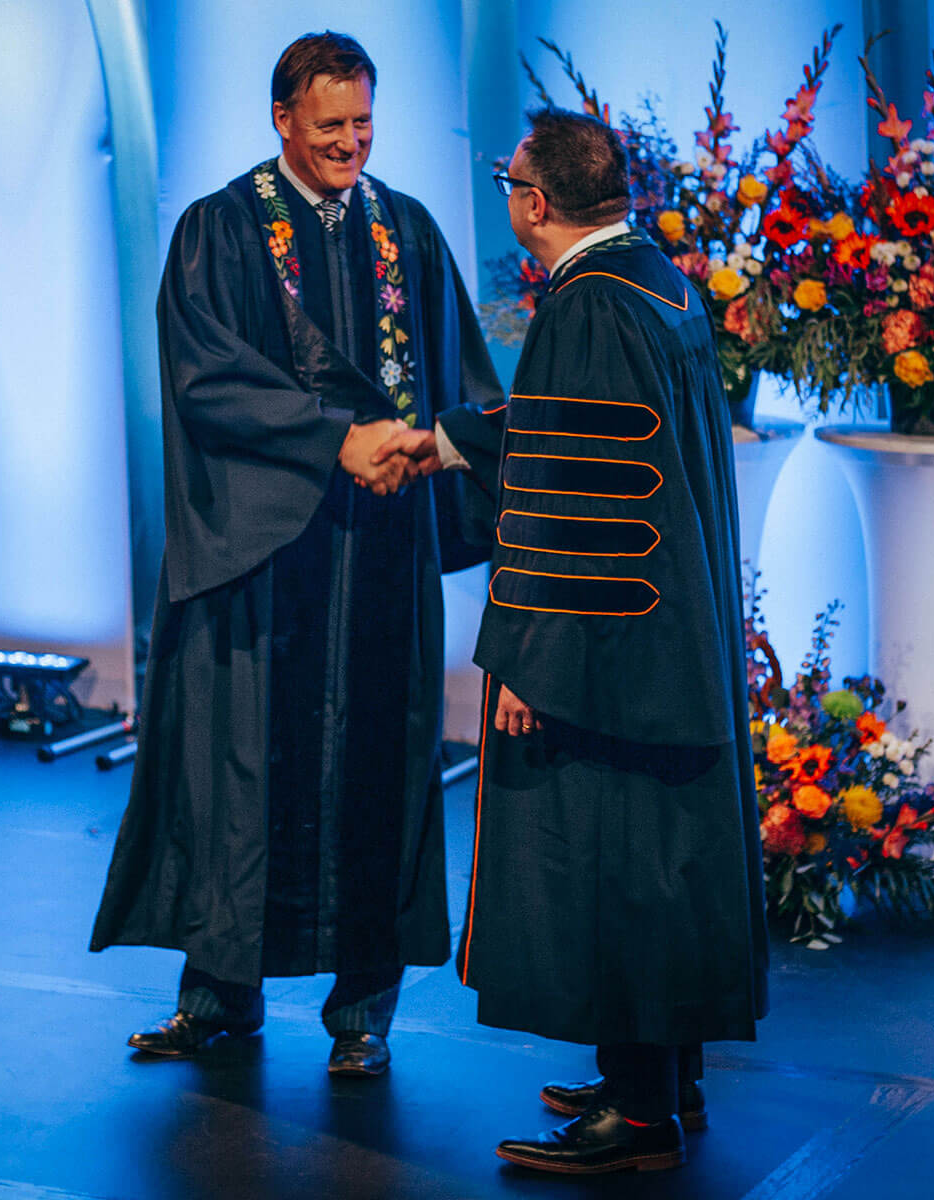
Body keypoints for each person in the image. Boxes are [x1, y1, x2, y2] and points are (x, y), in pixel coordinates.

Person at [88, 31, 502, 1079]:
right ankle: (219, 998)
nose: (351, 144)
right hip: (265, 561)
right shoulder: (219, 232)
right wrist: (334, 439)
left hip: (377, 555)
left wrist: (426, 446)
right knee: (235, 782)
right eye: (330, 127)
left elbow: (464, 375)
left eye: (364, 123)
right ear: (282, 119)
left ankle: (364, 1013)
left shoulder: (406, 231)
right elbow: (206, 381)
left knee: (383, 770)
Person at [397, 108, 769, 1172]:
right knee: (656, 854)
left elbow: (579, 500)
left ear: (534, 202)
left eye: (510, 180)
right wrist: (447, 439)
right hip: (665, 635)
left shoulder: (590, 309)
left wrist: (527, 653)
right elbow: (560, 433)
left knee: (619, 862)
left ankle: (639, 1115)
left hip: (609, 652)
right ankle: (663, 1075)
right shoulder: (655, 280)